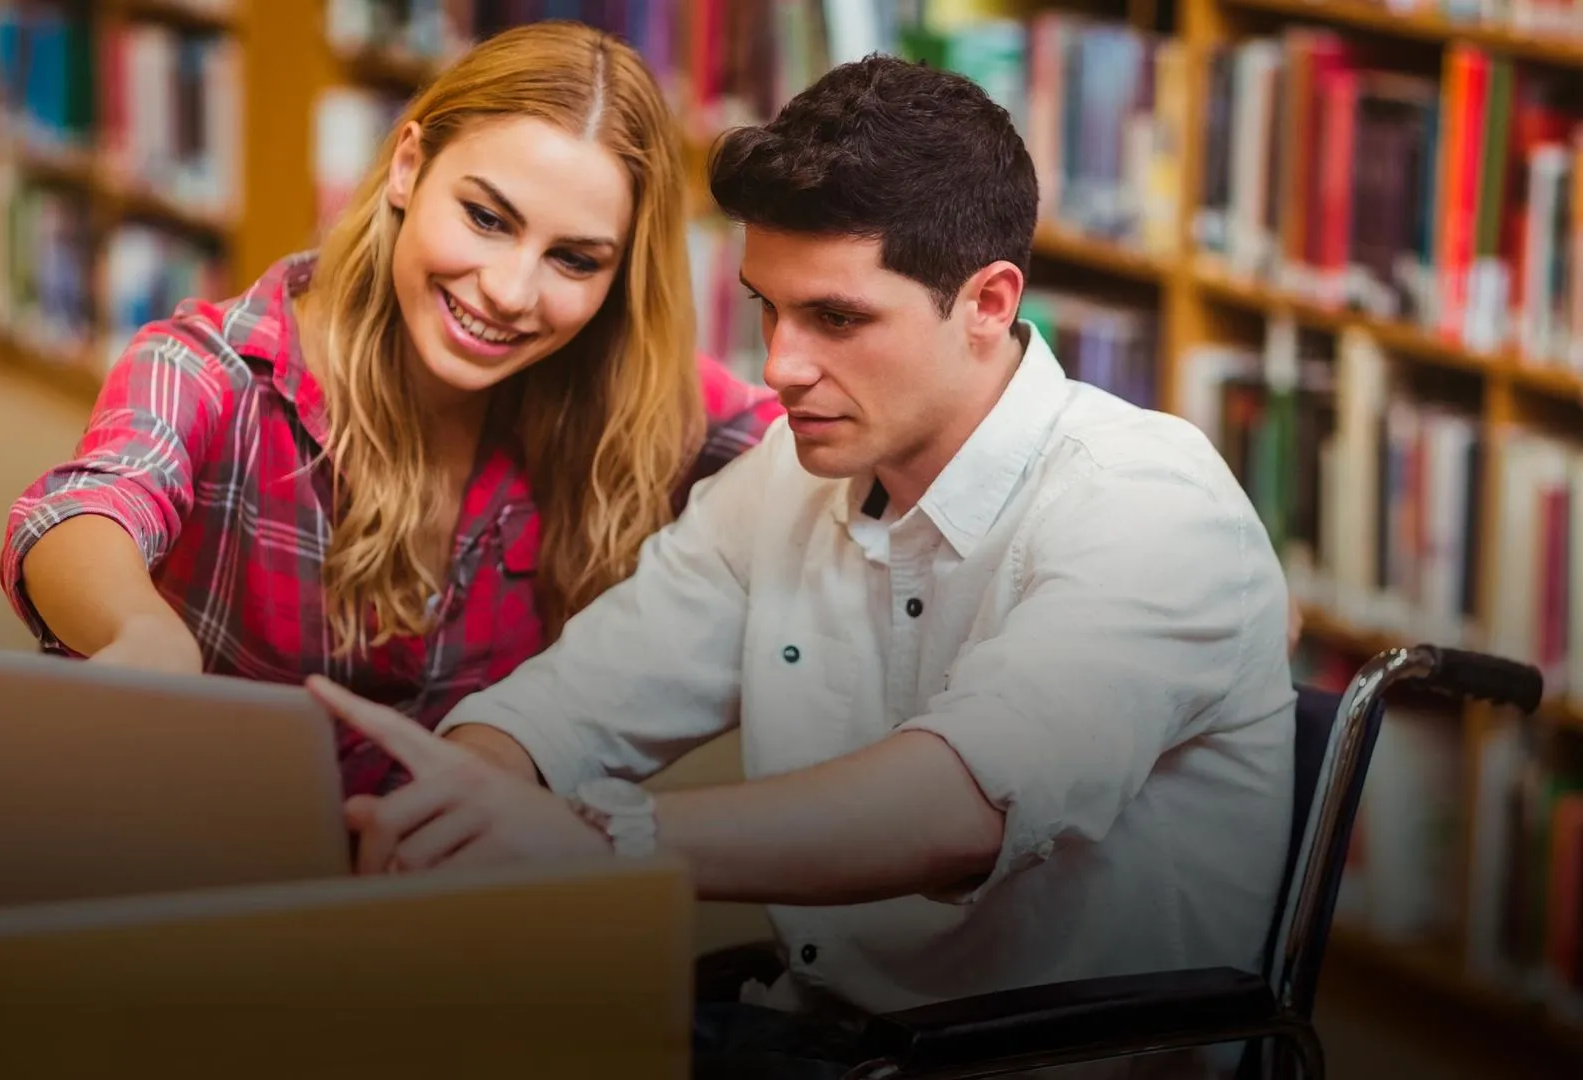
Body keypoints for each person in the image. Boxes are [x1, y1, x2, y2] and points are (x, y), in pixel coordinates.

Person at [304, 55, 1298, 1076]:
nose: (778, 366)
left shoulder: (1149, 504)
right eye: (769, 309)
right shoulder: (789, 477)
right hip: (810, 1042)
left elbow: (955, 806)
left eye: (837, 319)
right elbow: (569, 704)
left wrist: (603, 841)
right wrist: (461, 800)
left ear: (990, 302)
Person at [0, 22, 781, 798]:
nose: (509, 292)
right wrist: (140, 630)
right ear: (408, 167)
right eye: (486, 217)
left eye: (574, 259)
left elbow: (813, 441)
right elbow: (85, 506)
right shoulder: (213, 369)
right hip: (214, 863)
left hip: (448, 892)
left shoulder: (624, 389)